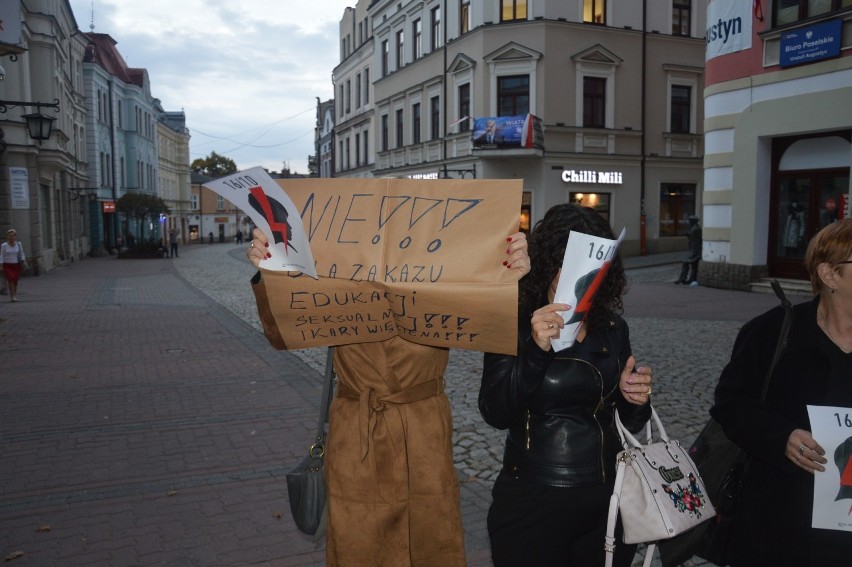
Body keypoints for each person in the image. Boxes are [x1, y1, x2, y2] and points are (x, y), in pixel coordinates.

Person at [247, 227, 530, 566]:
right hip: (357, 433)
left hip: (423, 433)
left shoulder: (441, 269)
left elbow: (488, 319)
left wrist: (509, 276)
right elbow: (282, 332)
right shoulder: (334, 267)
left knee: (430, 542)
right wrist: (270, 273)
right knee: (359, 547)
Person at [478, 203, 653, 567]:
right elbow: (496, 411)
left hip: (606, 500)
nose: (578, 277)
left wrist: (634, 398)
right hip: (533, 499)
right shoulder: (512, 319)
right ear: (548, 263)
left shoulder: (612, 327)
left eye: (593, 268)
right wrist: (537, 350)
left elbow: (629, 423)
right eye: (567, 264)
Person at [711, 218, 852, 566]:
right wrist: (781, 437)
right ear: (830, 274)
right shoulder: (775, 331)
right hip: (780, 525)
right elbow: (731, 404)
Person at [674, 214, 702, 285]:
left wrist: (695, 254)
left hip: (696, 251)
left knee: (686, 263)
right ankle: (691, 279)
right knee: (694, 266)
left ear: (693, 221)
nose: (688, 222)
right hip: (694, 250)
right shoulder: (694, 228)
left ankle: (682, 279)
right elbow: (691, 235)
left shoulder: (696, 229)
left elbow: (696, 241)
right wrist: (686, 234)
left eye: (689, 221)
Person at [1, 228, 27, 302]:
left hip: (16, 265)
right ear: (7, 237)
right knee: (11, 279)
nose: (11, 237)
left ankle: (14, 294)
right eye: (10, 236)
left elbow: (21, 253)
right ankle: (12, 296)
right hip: (7, 265)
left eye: (13, 236)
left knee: (15, 281)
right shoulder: (4, 245)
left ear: (15, 237)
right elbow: (1, 255)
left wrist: (23, 261)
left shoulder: (18, 244)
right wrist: (1, 265)